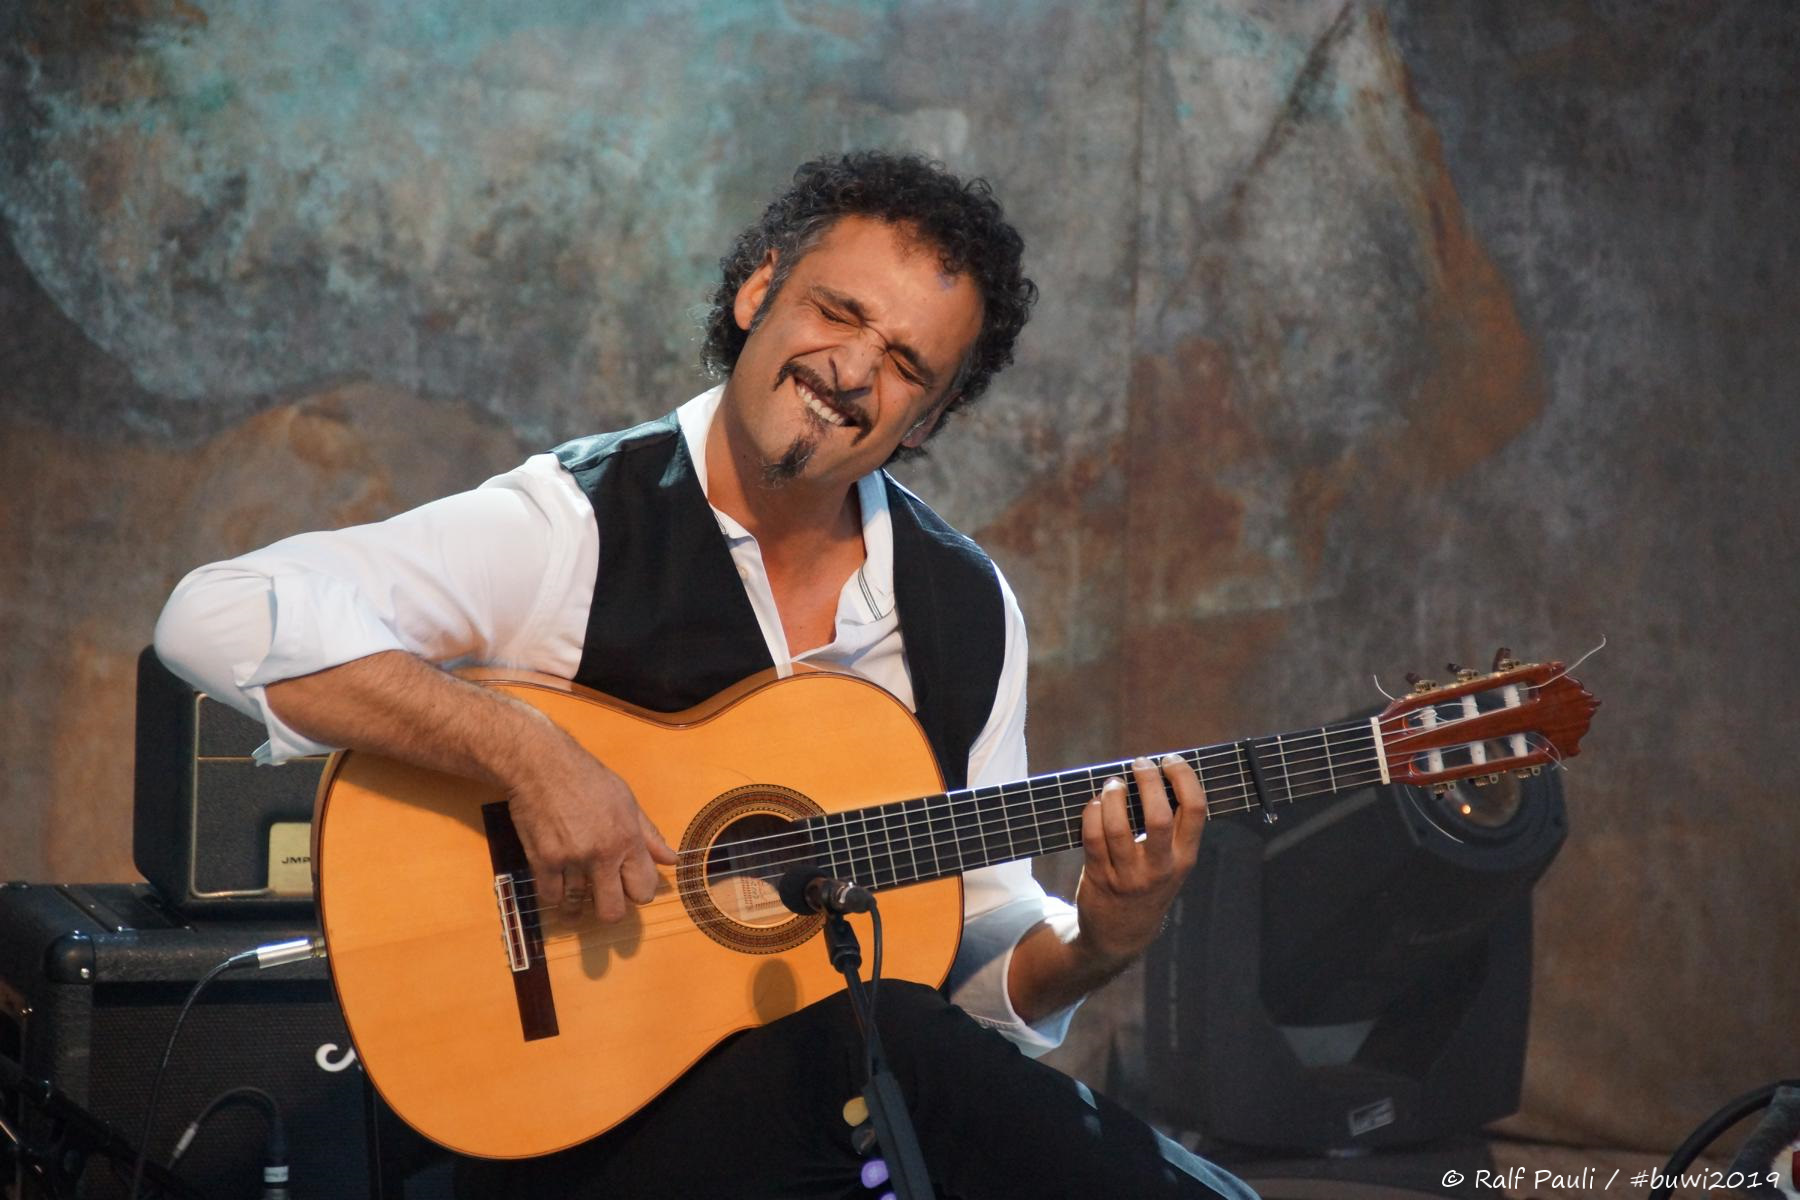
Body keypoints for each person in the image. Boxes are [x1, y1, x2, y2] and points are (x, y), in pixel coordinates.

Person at [155, 151, 1256, 1199]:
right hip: (563, 1128)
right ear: (757, 291)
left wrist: (1098, 943)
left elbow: (971, 948)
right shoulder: (575, 527)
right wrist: (529, 755)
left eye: (906, 366)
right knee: (893, 1045)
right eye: (837, 311)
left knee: (895, 1044)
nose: (852, 371)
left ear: (929, 419)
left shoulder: (964, 609)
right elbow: (214, 613)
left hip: (827, 1144)